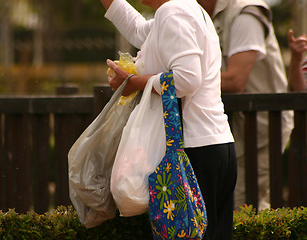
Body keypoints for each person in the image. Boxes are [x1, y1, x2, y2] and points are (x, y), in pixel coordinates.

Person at [100, 0, 237, 239]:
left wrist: (132, 83)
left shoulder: (173, 11)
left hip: (192, 153)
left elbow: (186, 80)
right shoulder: (185, 10)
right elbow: (137, 29)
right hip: (213, 145)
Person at [197, 0, 294, 211]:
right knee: (228, 208)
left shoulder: (246, 12)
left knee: (245, 208)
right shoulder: (200, 13)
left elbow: (235, 80)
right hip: (230, 132)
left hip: (261, 131)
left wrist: (175, 79)